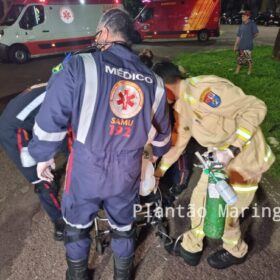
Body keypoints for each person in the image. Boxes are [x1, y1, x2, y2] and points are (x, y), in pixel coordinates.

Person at [27, 8, 171, 280]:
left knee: (76, 226)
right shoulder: (155, 82)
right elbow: (163, 135)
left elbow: (51, 117)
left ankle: (79, 275)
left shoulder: (80, 66)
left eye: (97, 33)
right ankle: (123, 275)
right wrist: (154, 157)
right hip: (127, 169)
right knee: (124, 224)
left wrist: (43, 157)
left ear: (104, 33)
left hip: (86, 168)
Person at [153, 61, 275, 269]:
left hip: (245, 161)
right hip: (217, 161)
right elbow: (180, 141)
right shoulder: (181, 105)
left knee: (227, 214)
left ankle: (236, 250)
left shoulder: (205, 91)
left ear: (165, 87)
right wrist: (158, 172)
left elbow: (255, 107)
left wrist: (231, 150)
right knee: (198, 202)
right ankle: (191, 247)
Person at [0, 84, 65, 241]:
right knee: (43, 178)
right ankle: (60, 222)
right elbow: (58, 125)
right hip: (16, 130)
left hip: (30, 121)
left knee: (68, 146)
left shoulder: (60, 83)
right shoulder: (63, 95)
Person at [233, 10, 259, 75]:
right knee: (240, 58)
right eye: (242, 16)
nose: (242, 17)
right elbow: (238, 36)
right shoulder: (241, 25)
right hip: (241, 45)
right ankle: (237, 70)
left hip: (248, 45)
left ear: (248, 17)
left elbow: (256, 33)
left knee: (248, 59)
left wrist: (250, 38)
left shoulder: (252, 24)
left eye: (244, 16)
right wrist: (235, 45)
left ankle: (249, 71)